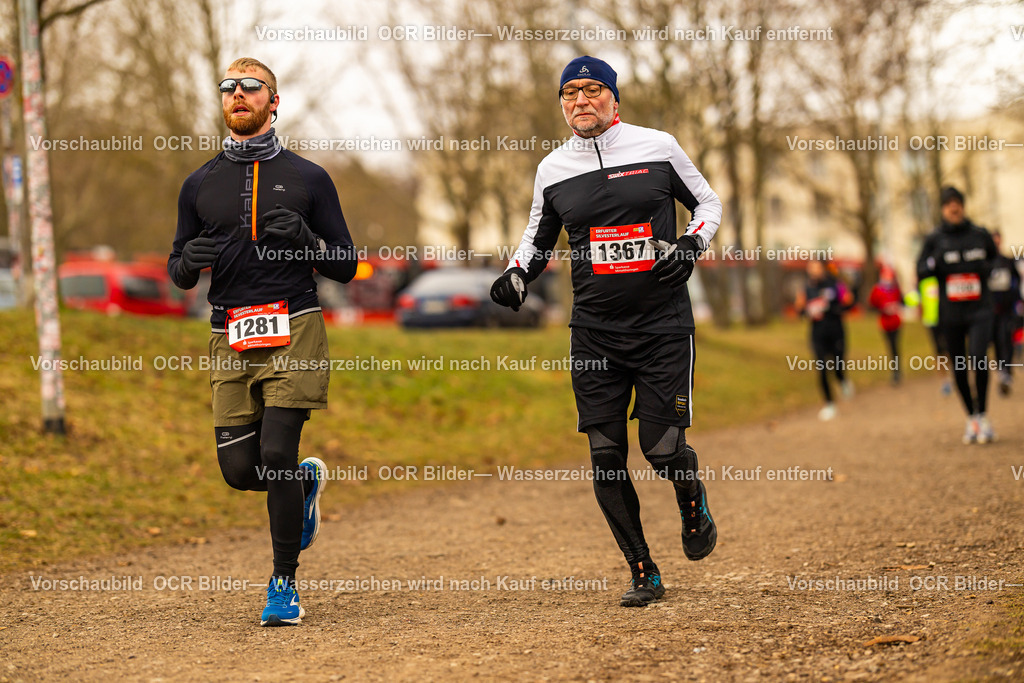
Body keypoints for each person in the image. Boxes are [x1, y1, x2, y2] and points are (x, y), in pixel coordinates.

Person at [490, 56, 722, 607]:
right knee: (605, 453)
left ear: (614, 100)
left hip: (663, 326)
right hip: (594, 332)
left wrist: (690, 246)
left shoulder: (657, 146)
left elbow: (708, 205)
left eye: (593, 90)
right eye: (570, 93)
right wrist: (516, 275)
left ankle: (691, 498)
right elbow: (537, 240)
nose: (581, 101)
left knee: (662, 449)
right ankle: (642, 568)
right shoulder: (552, 170)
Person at [167, 57, 358, 625]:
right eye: (228, 87)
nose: (238, 94)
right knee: (240, 470)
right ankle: (303, 488)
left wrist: (306, 241)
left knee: (277, 453)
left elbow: (346, 266)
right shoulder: (198, 183)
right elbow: (176, 267)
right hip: (229, 332)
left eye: (252, 86)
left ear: (274, 103)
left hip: (293, 325)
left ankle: (283, 584)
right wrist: (186, 264)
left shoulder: (309, 178)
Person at [916, 186, 998, 444]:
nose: (954, 207)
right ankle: (971, 417)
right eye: (949, 203)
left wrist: (984, 268)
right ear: (943, 209)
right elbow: (920, 269)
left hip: (980, 310)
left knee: (978, 357)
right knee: (959, 365)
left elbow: (996, 261)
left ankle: (983, 415)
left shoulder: (980, 234)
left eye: (957, 203)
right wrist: (934, 267)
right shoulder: (934, 239)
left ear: (963, 206)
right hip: (950, 314)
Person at [794, 260, 855, 420]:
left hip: (836, 331)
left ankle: (842, 380)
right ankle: (829, 404)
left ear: (823, 268)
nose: (813, 271)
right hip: (817, 334)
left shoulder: (836, 284)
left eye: (816, 267)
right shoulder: (806, 288)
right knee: (822, 368)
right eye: (810, 268)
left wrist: (833, 309)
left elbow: (849, 302)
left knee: (837, 364)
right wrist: (808, 311)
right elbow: (799, 309)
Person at [988, 230, 1021, 396]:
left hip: (1006, 311)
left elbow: (1016, 282)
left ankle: (1006, 372)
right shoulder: (984, 263)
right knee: (996, 342)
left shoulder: (1008, 261)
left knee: (1006, 340)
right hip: (988, 313)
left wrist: (1017, 303)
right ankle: (1002, 370)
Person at [869, 264, 903, 385]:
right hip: (885, 323)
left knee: (895, 347)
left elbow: (901, 301)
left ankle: (897, 371)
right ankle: (895, 370)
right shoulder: (877, 290)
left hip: (896, 322)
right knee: (890, 347)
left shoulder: (895, 289)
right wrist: (883, 308)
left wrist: (895, 306)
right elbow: (872, 304)